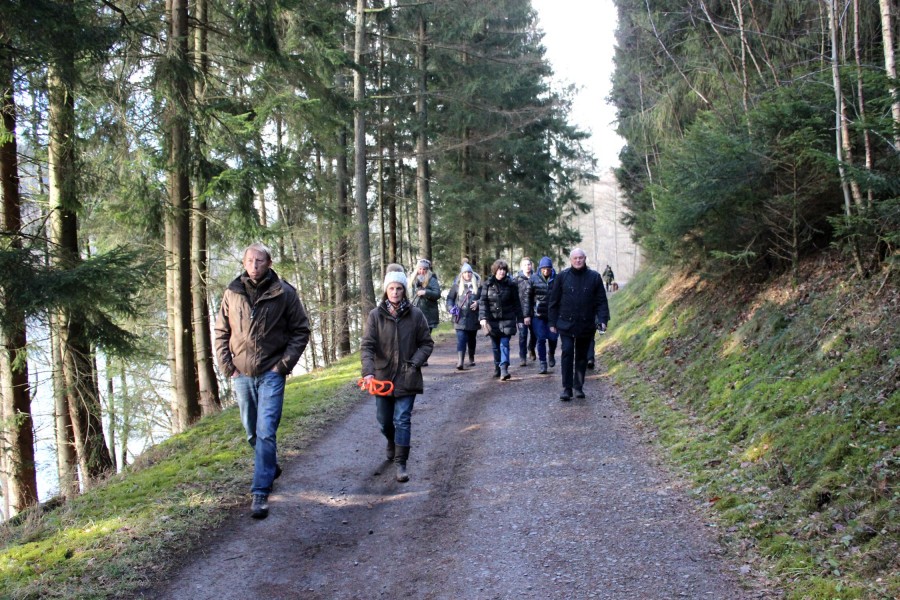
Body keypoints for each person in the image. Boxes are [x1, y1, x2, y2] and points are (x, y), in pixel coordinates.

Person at [214, 242, 311, 519]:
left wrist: (282, 366)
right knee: (252, 432)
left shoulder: (284, 293)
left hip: (271, 373)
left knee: (266, 430)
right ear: (243, 263)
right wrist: (228, 367)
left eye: (259, 261)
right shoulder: (233, 292)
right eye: (249, 261)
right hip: (242, 374)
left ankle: (260, 492)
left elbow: (301, 331)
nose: (254, 266)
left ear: (269, 263)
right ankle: (269, 466)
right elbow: (221, 331)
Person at [361, 270, 434, 482]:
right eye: (391, 288)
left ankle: (401, 463)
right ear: (386, 290)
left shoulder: (416, 315)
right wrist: (368, 372)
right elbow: (367, 346)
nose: (395, 292)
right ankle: (391, 441)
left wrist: (414, 363)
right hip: (382, 377)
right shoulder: (375, 315)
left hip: (407, 376)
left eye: (399, 288)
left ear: (404, 290)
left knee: (402, 419)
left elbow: (426, 343)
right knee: (384, 421)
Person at [548, 248, 609, 401]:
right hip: (566, 324)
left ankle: (578, 387)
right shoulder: (562, 277)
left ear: (585, 258)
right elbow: (553, 301)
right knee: (567, 352)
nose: (578, 260)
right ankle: (567, 388)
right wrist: (552, 322)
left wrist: (602, 320)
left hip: (586, 324)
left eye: (580, 258)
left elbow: (601, 301)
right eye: (575, 258)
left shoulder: (594, 277)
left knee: (582, 356)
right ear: (571, 260)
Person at [479, 259, 524, 380]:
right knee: (495, 346)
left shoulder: (511, 285)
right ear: (495, 270)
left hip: (508, 319)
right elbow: (483, 302)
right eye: (500, 269)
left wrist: (520, 320)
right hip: (492, 320)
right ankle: (497, 366)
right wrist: (483, 318)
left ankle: (504, 368)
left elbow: (517, 303)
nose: (502, 272)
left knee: (504, 344)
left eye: (504, 269)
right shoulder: (487, 284)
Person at [446, 262, 481, 369]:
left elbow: (484, 299)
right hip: (459, 317)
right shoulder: (456, 286)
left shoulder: (478, 286)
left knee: (471, 339)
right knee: (461, 339)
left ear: (472, 274)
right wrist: (450, 308)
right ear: (462, 274)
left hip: (473, 318)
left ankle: (471, 358)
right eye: (465, 272)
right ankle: (460, 361)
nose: (467, 274)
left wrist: (478, 303)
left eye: (469, 272)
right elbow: (450, 299)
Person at [529, 256, 559, 374]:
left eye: (548, 269)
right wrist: (527, 314)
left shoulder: (557, 279)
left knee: (553, 337)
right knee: (541, 338)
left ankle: (551, 353)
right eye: (543, 269)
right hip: (538, 314)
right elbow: (528, 297)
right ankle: (542, 363)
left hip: (553, 315)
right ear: (540, 269)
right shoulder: (533, 279)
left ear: (551, 269)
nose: (546, 271)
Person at [515, 257, 537, 366]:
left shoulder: (536, 278)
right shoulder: (516, 280)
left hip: (535, 312)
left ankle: (531, 348)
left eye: (529, 264)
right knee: (523, 335)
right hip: (521, 313)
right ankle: (522, 357)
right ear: (521, 267)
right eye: (525, 265)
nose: (527, 267)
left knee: (535, 334)